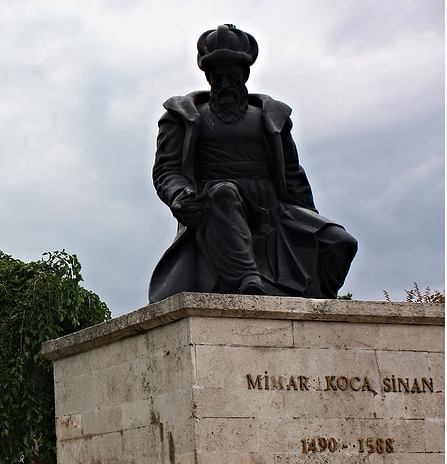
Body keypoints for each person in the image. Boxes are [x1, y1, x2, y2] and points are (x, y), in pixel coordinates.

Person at [149, 24, 357, 303]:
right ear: (208, 77)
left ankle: (320, 303)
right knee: (224, 192)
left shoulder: (271, 117)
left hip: (275, 211)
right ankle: (249, 283)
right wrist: (179, 195)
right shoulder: (183, 115)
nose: (223, 85)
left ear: (245, 75)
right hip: (218, 208)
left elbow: (293, 175)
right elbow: (168, 170)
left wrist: (311, 221)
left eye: (231, 77)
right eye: (217, 78)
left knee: (340, 243)